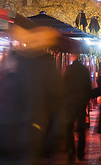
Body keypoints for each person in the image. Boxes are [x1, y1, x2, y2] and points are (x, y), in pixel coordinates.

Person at [0, 26, 62, 165]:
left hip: (7, 133)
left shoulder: (12, 60)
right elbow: (55, 103)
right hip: (29, 135)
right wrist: (55, 137)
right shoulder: (46, 63)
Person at [63, 55, 92, 162]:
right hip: (81, 103)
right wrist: (86, 100)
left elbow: (64, 85)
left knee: (69, 127)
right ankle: (80, 153)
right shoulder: (84, 70)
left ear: (72, 57)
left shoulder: (68, 70)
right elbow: (88, 86)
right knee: (81, 128)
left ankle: (71, 150)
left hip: (70, 103)